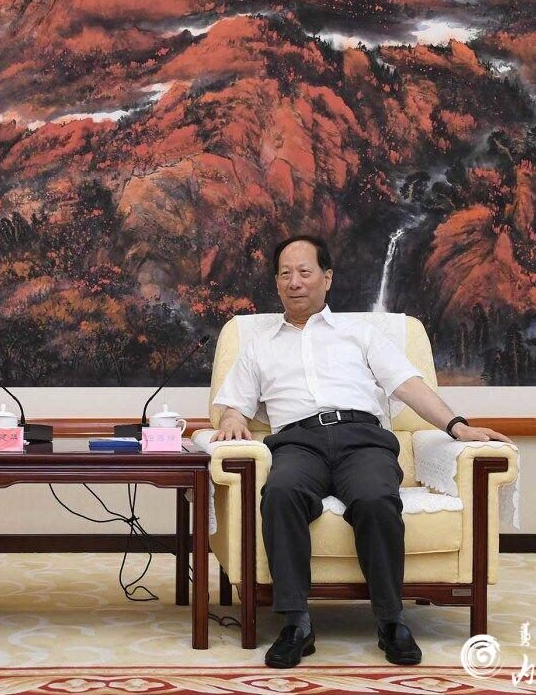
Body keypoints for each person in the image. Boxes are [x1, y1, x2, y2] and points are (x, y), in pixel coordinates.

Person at [211, 235, 511, 669]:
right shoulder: (259, 345)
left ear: (327, 278)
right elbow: (232, 404)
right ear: (276, 282)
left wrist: (456, 426)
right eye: (285, 274)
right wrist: (231, 419)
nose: (295, 282)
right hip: (297, 443)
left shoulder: (360, 333)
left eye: (305, 272)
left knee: (376, 498)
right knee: (280, 494)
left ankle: (391, 621)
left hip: (362, 439)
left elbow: (408, 385)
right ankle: (296, 623)